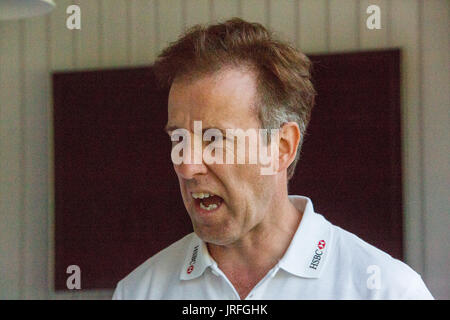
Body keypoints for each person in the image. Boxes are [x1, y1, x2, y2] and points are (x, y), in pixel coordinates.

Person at [112, 18, 433, 300]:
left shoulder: (386, 291)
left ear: (282, 146)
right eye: (178, 138)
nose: (186, 165)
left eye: (215, 139)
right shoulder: (139, 292)